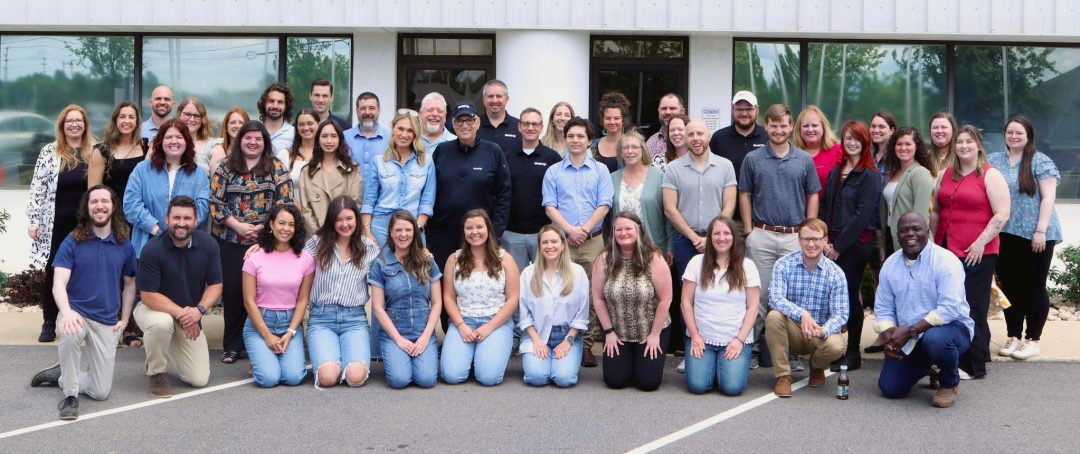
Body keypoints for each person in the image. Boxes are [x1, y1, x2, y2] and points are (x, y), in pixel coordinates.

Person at [29, 185, 136, 420]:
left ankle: (62, 375)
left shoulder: (124, 244)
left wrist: (126, 319)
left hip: (106, 319)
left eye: (104, 201)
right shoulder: (72, 240)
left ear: (113, 206)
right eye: (94, 201)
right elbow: (58, 282)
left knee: (100, 392)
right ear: (87, 208)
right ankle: (70, 396)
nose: (99, 206)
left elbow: (130, 284)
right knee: (69, 331)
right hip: (77, 313)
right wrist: (66, 312)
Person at [738, 103, 820, 370]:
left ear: (790, 126)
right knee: (758, 295)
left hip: (793, 236)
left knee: (792, 296)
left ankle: (792, 351)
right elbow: (745, 193)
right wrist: (749, 229)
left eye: (783, 125)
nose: (778, 130)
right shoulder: (753, 159)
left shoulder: (803, 159)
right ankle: (751, 346)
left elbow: (813, 194)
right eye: (773, 125)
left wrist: (808, 230)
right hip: (761, 234)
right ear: (767, 126)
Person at [211, 120, 293, 364]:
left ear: (265, 142)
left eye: (258, 138)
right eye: (248, 138)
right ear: (240, 140)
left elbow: (285, 201)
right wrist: (237, 226)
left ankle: (260, 342)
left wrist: (263, 228)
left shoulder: (277, 167)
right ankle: (232, 346)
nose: (253, 142)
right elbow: (215, 202)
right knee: (234, 293)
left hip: (267, 240)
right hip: (230, 239)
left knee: (263, 293)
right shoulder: (226, 166)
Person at [931, 125, 1009, 379]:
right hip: (947, 249)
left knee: (973, 307)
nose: (964, 146)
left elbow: (1002, 214)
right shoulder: (945, 174)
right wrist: (931, 242)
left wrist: (980, 243)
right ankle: (969, 353)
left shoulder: (990, 175)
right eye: (960, 142)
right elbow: (936, 211)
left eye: (969, 141)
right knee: (951, 305)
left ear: (978, 145)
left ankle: (974, 366)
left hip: (978, 252)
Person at [875, 212, 973, 408]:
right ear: (897, 235)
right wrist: (889, 336)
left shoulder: (946, 261)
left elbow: (949, 309)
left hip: (951, 330)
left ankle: (949, 382)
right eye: (904, 230)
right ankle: (928, 367)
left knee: (935, 340)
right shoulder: (890, 265)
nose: (910, 234)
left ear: (927, 232)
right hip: (909, 337)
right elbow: (884, 308)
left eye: (916, 229)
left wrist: (911, 331)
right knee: (890, 388)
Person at [988, 116, 1064, 360]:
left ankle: (1033, 339)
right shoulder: (994, 160)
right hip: (1006, 233)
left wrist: (1040, 231)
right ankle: (1013, 336)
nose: (1013, 136)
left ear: (1028, 135)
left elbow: (1048, 198)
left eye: (1019, 132)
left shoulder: (1040, 161)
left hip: (1037, 235)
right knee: (1010, 287)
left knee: (1034, 287)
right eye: (1009, 132)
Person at [133, 195, 222, 397]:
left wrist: (199, 311)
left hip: (189, 313)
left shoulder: (209, 245)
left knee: (198, 379)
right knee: (161, 324)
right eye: (176, 218)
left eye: (187, 218)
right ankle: (156, 372)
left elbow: (216, 285)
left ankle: (165, 347)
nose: (181, 223)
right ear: (167, 219)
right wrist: (185, 314)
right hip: (153, 309)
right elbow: (148, 296)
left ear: (196, 220)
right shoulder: (152, 250)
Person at [543, 116, 614, 367]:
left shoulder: (600, 170)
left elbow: (604, 204)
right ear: (565, 139)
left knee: (592, 293)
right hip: (561, 242)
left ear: (589, 140)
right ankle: (559, 340)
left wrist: (582, 230)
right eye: (571, 136)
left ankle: (585, 345)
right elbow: (549, 206)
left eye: (580, 136)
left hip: (593, 241)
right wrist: (570, 231)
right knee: (560, 291)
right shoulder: (553, 171)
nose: (575, 140)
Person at [662, 120, 736, 360]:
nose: (695, 138)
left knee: (719, 291)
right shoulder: (673, 169)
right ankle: (692, 350)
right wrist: (695, 237)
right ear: (685, 138)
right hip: (686, 240)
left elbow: (729, 204)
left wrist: (713, 235)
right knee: (689, 295)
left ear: (708, 136)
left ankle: (720, 346)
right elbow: (670, 209)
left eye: (700, 133)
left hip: (720, 240)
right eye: (690, 134)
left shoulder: (725, 166)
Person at [27, 104, 96, 343]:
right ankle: (49, 321)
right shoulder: (49, 152)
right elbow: (37, 188)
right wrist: (34, 220)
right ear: (62, 125)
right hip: (55, 223)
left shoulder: (95, 151)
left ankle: (83, 322)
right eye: (69, 121)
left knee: (85, 271)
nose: (74, 125)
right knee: (54, 270)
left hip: (86, 223)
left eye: (79, 120)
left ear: (85, 125)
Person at [428, 103, 512, 290]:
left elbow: (504, 194)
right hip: (444, 234)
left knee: (476, 286)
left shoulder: (493, 151)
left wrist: (495, 232)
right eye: (460, 121)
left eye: (469, 120)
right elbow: (429, 191)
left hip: (479, 235)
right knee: (444, 285)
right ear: (453, 124)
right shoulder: (442, 151)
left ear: (478, 123)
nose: (465, 125)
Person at [821, 120, 881, 371]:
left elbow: (862, 215)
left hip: (855, 245)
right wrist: (824, 239)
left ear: (865, 142)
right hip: (830, 243)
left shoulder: (870, 175)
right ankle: (834, 347)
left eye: (857, 138)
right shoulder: (836, 172)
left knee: (849, 295)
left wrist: (838, 246)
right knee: (832, 297)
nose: (852, 142)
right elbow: (825, 206)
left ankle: (853, 352)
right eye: (848, 138)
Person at [764, 218, 848, 397]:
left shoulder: (836, 273)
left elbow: (841, 314)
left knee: (837, 345)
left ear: (825, 240)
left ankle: (816, 367)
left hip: (819, 332)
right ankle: (783, 376)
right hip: (791, 330)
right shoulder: (783, 264)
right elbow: (775, 298)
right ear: (799, 239)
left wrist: (823, 331)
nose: (811, 244)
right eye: (806, 239)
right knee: (773, 316)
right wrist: (802, 314)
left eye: (816, 239)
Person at [592, 212, 672, 391]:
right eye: (618, 229)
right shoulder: (604, 259)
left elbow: (665, 300)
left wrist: (655, 335)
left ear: (639, 231)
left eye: (628, 228)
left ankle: (641, 363)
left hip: (650, 330)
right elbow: (598, 299)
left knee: (648, 383)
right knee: (614, 381)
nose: (623, 233)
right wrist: (609, 332)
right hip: (617, 332)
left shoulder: (654, 258)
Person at [304, 196, 379, 388]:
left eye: (349, 218)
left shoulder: (369, 248)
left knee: (356, 376)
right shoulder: (317, 243)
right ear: (331, 221)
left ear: (357, 219)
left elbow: (389, 271)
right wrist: (261, 247)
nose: (344, 224)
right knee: (328, 377)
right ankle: (333, 362)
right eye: (339, 219)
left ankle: (346, 361)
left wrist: (422, 254)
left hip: (354, 320)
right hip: (322, 319)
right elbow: (292, 260)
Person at [440, 209, 521, 386]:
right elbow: (448, 297)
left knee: (488, 378)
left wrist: (489, 327)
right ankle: (471, 357)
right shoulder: (454, 259)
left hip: (496, 322)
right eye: (469, 228)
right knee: (452, 376)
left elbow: (513, 298)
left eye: (479, 227)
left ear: (488, 229)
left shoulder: (505, 259)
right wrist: (461, 326)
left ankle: (484, 357)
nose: (474, 232)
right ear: (463, 231)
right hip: (463, 321)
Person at [681, 216, 759, 395]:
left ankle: (720, 368)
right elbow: (686, 302)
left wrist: (740, 340)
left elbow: (753, 307)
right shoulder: (696, 263)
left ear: (734, 237)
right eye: (716, 233)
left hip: (735, 338)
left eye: (726, 233)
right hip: (702, 338)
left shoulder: (747, 266)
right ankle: (712, 367)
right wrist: (695, 335)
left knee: (732, 388)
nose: (721, 238)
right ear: (709, 237)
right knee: (697, 386)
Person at [242, 204, 313, 387]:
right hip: (260, 324)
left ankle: (270, 358)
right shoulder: (254, 257)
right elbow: (248, 301)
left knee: (294, 377)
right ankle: (261, 359)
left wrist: (290, 332)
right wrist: (266, 335)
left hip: (290, 324)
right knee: (269, 379)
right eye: (281, 223)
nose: (286, 229)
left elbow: (303, 299)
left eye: (291, 224)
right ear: (271, 224)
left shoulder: (305, 258)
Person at [370, 210, 443, 389]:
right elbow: (378, 307)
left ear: (415, 232)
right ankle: (399, 356)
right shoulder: (380, 263)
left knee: (426, 380)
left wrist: (426, 337)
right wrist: (398, 340)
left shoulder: (427, 261)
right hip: (395, 332)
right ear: (391, 233)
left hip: (422, 330)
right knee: (399, 380)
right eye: (398, 230)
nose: (403, 235)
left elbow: (437, 303)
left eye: (408, 230)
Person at [124, 120, 211, 257]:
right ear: (160, 141)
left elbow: (202, 207)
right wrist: (156, 230)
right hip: (148, 245)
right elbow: (131, 205)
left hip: (186, 248)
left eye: (179, 137)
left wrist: (180, 230)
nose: (174, 141)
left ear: (187, 141)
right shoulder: (142, 170)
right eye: (169, 137)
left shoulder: (199, 174)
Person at [518, 225, 589, 387]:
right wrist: (537, 341)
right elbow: (524, 313)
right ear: (539, 246)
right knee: (536, 378)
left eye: (554, 242)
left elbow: (582, 313)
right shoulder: (528, 273)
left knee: (564, 379)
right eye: (545, 242)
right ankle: (541, 363)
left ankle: (563, 362)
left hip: (567, 334)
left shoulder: (577, 272)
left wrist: (568, 341)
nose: (549, 246)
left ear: (563, 245)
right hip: (537, 334)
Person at [361, 111, 434, 249]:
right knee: (381, 263)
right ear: (393, 129)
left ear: (415, 134)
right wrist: (367, 232)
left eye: (410, 130)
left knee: (417, 263)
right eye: (400, 128)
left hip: (412, 225)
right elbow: (369, 200)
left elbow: (427, 201)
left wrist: (417, 228)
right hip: (381, 227)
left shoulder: (426, 162)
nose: (404, 134)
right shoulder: (378, 161)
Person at [502, 107, 562, 270]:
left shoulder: (552, 158)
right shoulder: (505, 156)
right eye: (526, 123)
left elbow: (560, 195)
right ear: (519, 126)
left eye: (535, 124)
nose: (530, 128)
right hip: (511, 233)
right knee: (515, 279)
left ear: (541, 127)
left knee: (544, 278)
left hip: (543, 233)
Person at [297, 120, 363, 235]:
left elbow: (355, 204)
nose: (329, 141)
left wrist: (341, 233)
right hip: (317, 236)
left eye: (333, 136)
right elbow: (306, 211)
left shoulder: (352, 170)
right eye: (324, 136)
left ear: (340, 139)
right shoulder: (307, 172)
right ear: (318, 140)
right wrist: (320, 236)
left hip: (345, 234)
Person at [612, 131, 670, 256]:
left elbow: (668, 214)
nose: (630, 151)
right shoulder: (612, 178)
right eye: (625, 147)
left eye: (634, 147)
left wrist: (670, 246)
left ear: (643, 150)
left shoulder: (658, 176)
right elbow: (607, 220)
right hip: (621, 248)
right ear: (620, 152)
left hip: (653, 247)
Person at [708, 90, 767, 212]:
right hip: (726, 212)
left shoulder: (767, 137)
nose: (744, 113)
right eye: (739, 109)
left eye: (749, 109)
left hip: (762, 213)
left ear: (757, 110)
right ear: (732, 110)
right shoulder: (719, 138)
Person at [880, 126, 936, 254]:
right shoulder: (892, 173)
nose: (903, 148)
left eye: (908, 144)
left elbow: (921, 216)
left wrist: (913, 245)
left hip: (912, 242)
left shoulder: (920, 173)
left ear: (917, 147)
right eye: (899, 144)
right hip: (891, 236)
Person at [95, 102, 147, 231]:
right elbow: (93, 192)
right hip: (112, 218)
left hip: (140, 217)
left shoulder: (146, 149)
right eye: (122, 116)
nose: (127, 121)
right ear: (115, 120)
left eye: (131, 117)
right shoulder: (101, 151)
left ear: (137, 122)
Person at [793, 105, 842, 193]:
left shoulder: (838, 151)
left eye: (814, 125)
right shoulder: (792, 155)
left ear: (823, 127)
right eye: (806, 126)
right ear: (799, 129)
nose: (810, 129)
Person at [344, 92, 391, 172]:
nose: (367, 112)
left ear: (379, 110)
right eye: (363, 108)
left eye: (371, 108)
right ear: (357, 111)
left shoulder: (391, 137)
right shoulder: (345, 137)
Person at [474, 79, 520, 152]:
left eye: (499, 96)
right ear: (484, 99)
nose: (494, 100)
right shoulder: (473, 126)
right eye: (490, 96)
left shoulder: (519, 126)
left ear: (507, 99)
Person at [590, 92, 631, 173]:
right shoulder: (593, 146)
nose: (612, 122)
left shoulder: (631, 145)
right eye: (608, 118)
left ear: (623, 120)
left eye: (616, 118)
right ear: (603, 120)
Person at [279, 109, 319, 186]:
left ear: (319, 124)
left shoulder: (327, 153)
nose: (306, 128)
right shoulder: (286, 154)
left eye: (310, 123)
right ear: (296, 127)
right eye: (301, 124)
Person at [176, 97, 218, 173]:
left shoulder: (214, 147)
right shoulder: (166, 141)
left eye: (196, 116)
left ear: (202, 119)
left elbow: (218, 179)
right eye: (187, 114)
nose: (192, 119)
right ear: (179, 114)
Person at [209, 107, 250, 174]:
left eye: (241, 123)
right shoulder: (217, 149)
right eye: (232, 122)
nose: (237, 126)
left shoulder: (252, 152)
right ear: (226, 127)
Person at [646, 93, 686, 160]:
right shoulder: (651, 142)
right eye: (664, 108)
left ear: (682, 111)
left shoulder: (692, 139)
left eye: (672, 108)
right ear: (658, 111)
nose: (668, 112)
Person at [258, 83, 296, 154]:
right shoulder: (254, 129)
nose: (275, 106)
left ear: (286, 106)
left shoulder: (293, 133)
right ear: (264, 104)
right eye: (271, 101)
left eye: (280, 102)